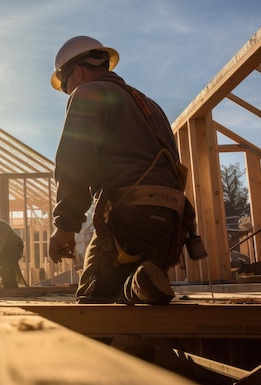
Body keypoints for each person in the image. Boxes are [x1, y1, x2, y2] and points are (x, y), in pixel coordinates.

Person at [48, 35, 192, 305]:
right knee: (134, 295)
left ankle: (130, 299)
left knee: (94, 305)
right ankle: (137, 289)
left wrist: (65, 226)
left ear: (77, 72)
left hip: (130, 218)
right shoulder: (152, 106)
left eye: (67, 87)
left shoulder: (88, 93)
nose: (69, 94)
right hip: (173, 223)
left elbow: (75, 163)